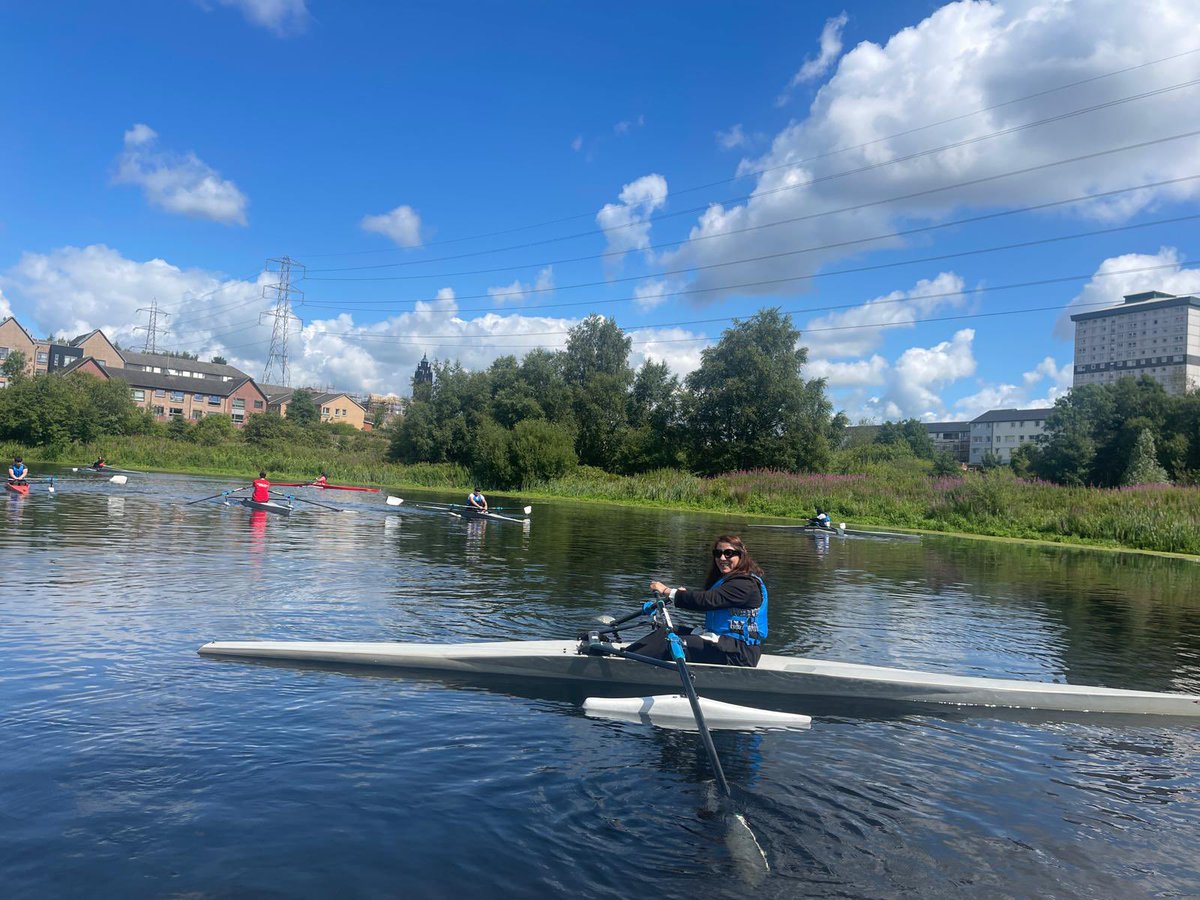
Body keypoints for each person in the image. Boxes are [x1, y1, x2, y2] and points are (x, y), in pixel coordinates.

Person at [628, 534, 768, 668]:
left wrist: (668, 591)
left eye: (728, 553)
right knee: (665, 632)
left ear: (741, 555)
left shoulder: (745, 584)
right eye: (717, 553)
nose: (722, 558)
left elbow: (707, 601)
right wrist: (684, 595)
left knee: (670, 643)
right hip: (725, 644)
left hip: (739, 653)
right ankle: (624, 657)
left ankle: (624, 666)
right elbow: (709, 598)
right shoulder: (730, 581)